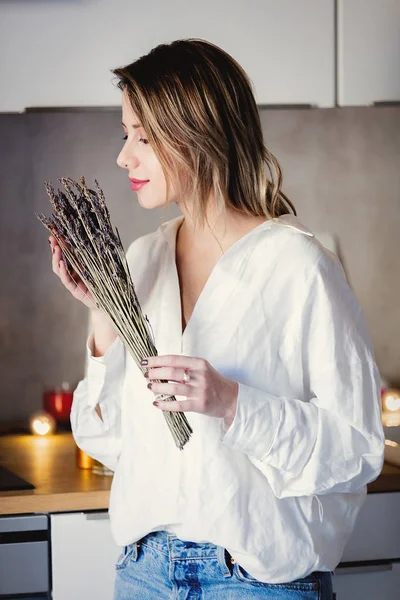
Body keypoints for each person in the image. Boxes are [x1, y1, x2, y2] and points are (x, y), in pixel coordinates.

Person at [49, 39, 384, 599]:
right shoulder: (140, 260)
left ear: (195, 134)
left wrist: (233, 403)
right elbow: (109, 444)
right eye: (124, 134)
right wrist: (103, 318)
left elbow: (356, 449)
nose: (123, 157)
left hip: (256, 583)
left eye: (143, 136)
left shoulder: (299, 265)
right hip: (144, 574)